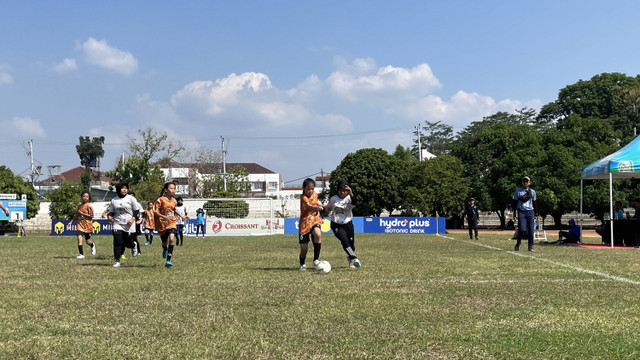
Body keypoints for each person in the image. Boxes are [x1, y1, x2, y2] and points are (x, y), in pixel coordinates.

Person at [325, 180, 361, 268]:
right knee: (344, 241)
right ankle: (354, 257)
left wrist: (351, 193)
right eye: (340, 190)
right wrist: (325, 210)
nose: (342, 192)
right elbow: (328, 208)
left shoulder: (349, 198)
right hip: (336, 225)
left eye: (344, 190)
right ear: (337, 190)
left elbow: (356, 203)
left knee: (351, 243)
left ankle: (351, 260)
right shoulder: (333, 199)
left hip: (348, 224)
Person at [107, 182, 139, 268]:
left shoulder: (131, 199)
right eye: (122, 188)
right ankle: (116, 260)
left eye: (126, 188)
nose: (124, 190)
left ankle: (133, 245)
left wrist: (132, 219)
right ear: (118, 189)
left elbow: (136, 211)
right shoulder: (114, 200)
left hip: (129, 223)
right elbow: (111, 211)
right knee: (117, 242)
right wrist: (109, 216)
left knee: (127, 242)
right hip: (117, 223)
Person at [298, 178, 324, 271]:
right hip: (304, 223)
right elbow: (309, 206)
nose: (311, 191)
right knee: (304, 249)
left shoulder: (315, 195)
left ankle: (316, 260)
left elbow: (317, 203)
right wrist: (317, 208)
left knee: (318, 234)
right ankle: (302, 263)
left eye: (312, 189)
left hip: (314, 220)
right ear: (304, 188)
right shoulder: (303, 198)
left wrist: (323, 209)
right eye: (308, 189)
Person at [155, 182, 178, 268]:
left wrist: (182, 216)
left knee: (172, 239)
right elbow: (155, 212)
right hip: (162, 224)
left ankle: (168, 260)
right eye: (171, 188)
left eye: (174, 188)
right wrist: (164, 217)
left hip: (172, 222)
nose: (173, 190)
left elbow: (174, 210)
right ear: (165, 190)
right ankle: (165, 248)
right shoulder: (160, 200)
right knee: (164, 242)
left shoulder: (174, 200)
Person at [513, 176, 537, 252]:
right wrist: (514, 213)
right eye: (524, 181)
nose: (525, 183)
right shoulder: (518, 191)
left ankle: (530, 246)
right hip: (521, 212)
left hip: (530, 211)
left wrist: (536, 213)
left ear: (529, 183)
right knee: (522, 229)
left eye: (527, 181)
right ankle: (518, 243)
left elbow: (534, 202)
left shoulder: (532, 192)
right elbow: (515, 202)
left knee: (531, 230)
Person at [72, 191, 96, 259]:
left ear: (88, 198)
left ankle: (92, 245)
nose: (85, 198)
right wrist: (71, 221)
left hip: (87, 225)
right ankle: (81, 254)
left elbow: (91, 216)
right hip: (80, 224)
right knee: (79, 238)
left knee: (87, 241)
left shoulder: (89, 206)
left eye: (87, 197)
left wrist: (83, 214)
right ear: (81, 197)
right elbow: (77, 215)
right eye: (84, 196)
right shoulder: (79, 206)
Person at [128, 191, 144, 256]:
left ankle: (138, 251)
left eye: (132, 196)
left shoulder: (137, 204)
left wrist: (140, 220)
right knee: (126, 237)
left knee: (134, 238)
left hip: (135, 222)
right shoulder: (126, 203)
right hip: (128, 222)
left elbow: (143, 213)